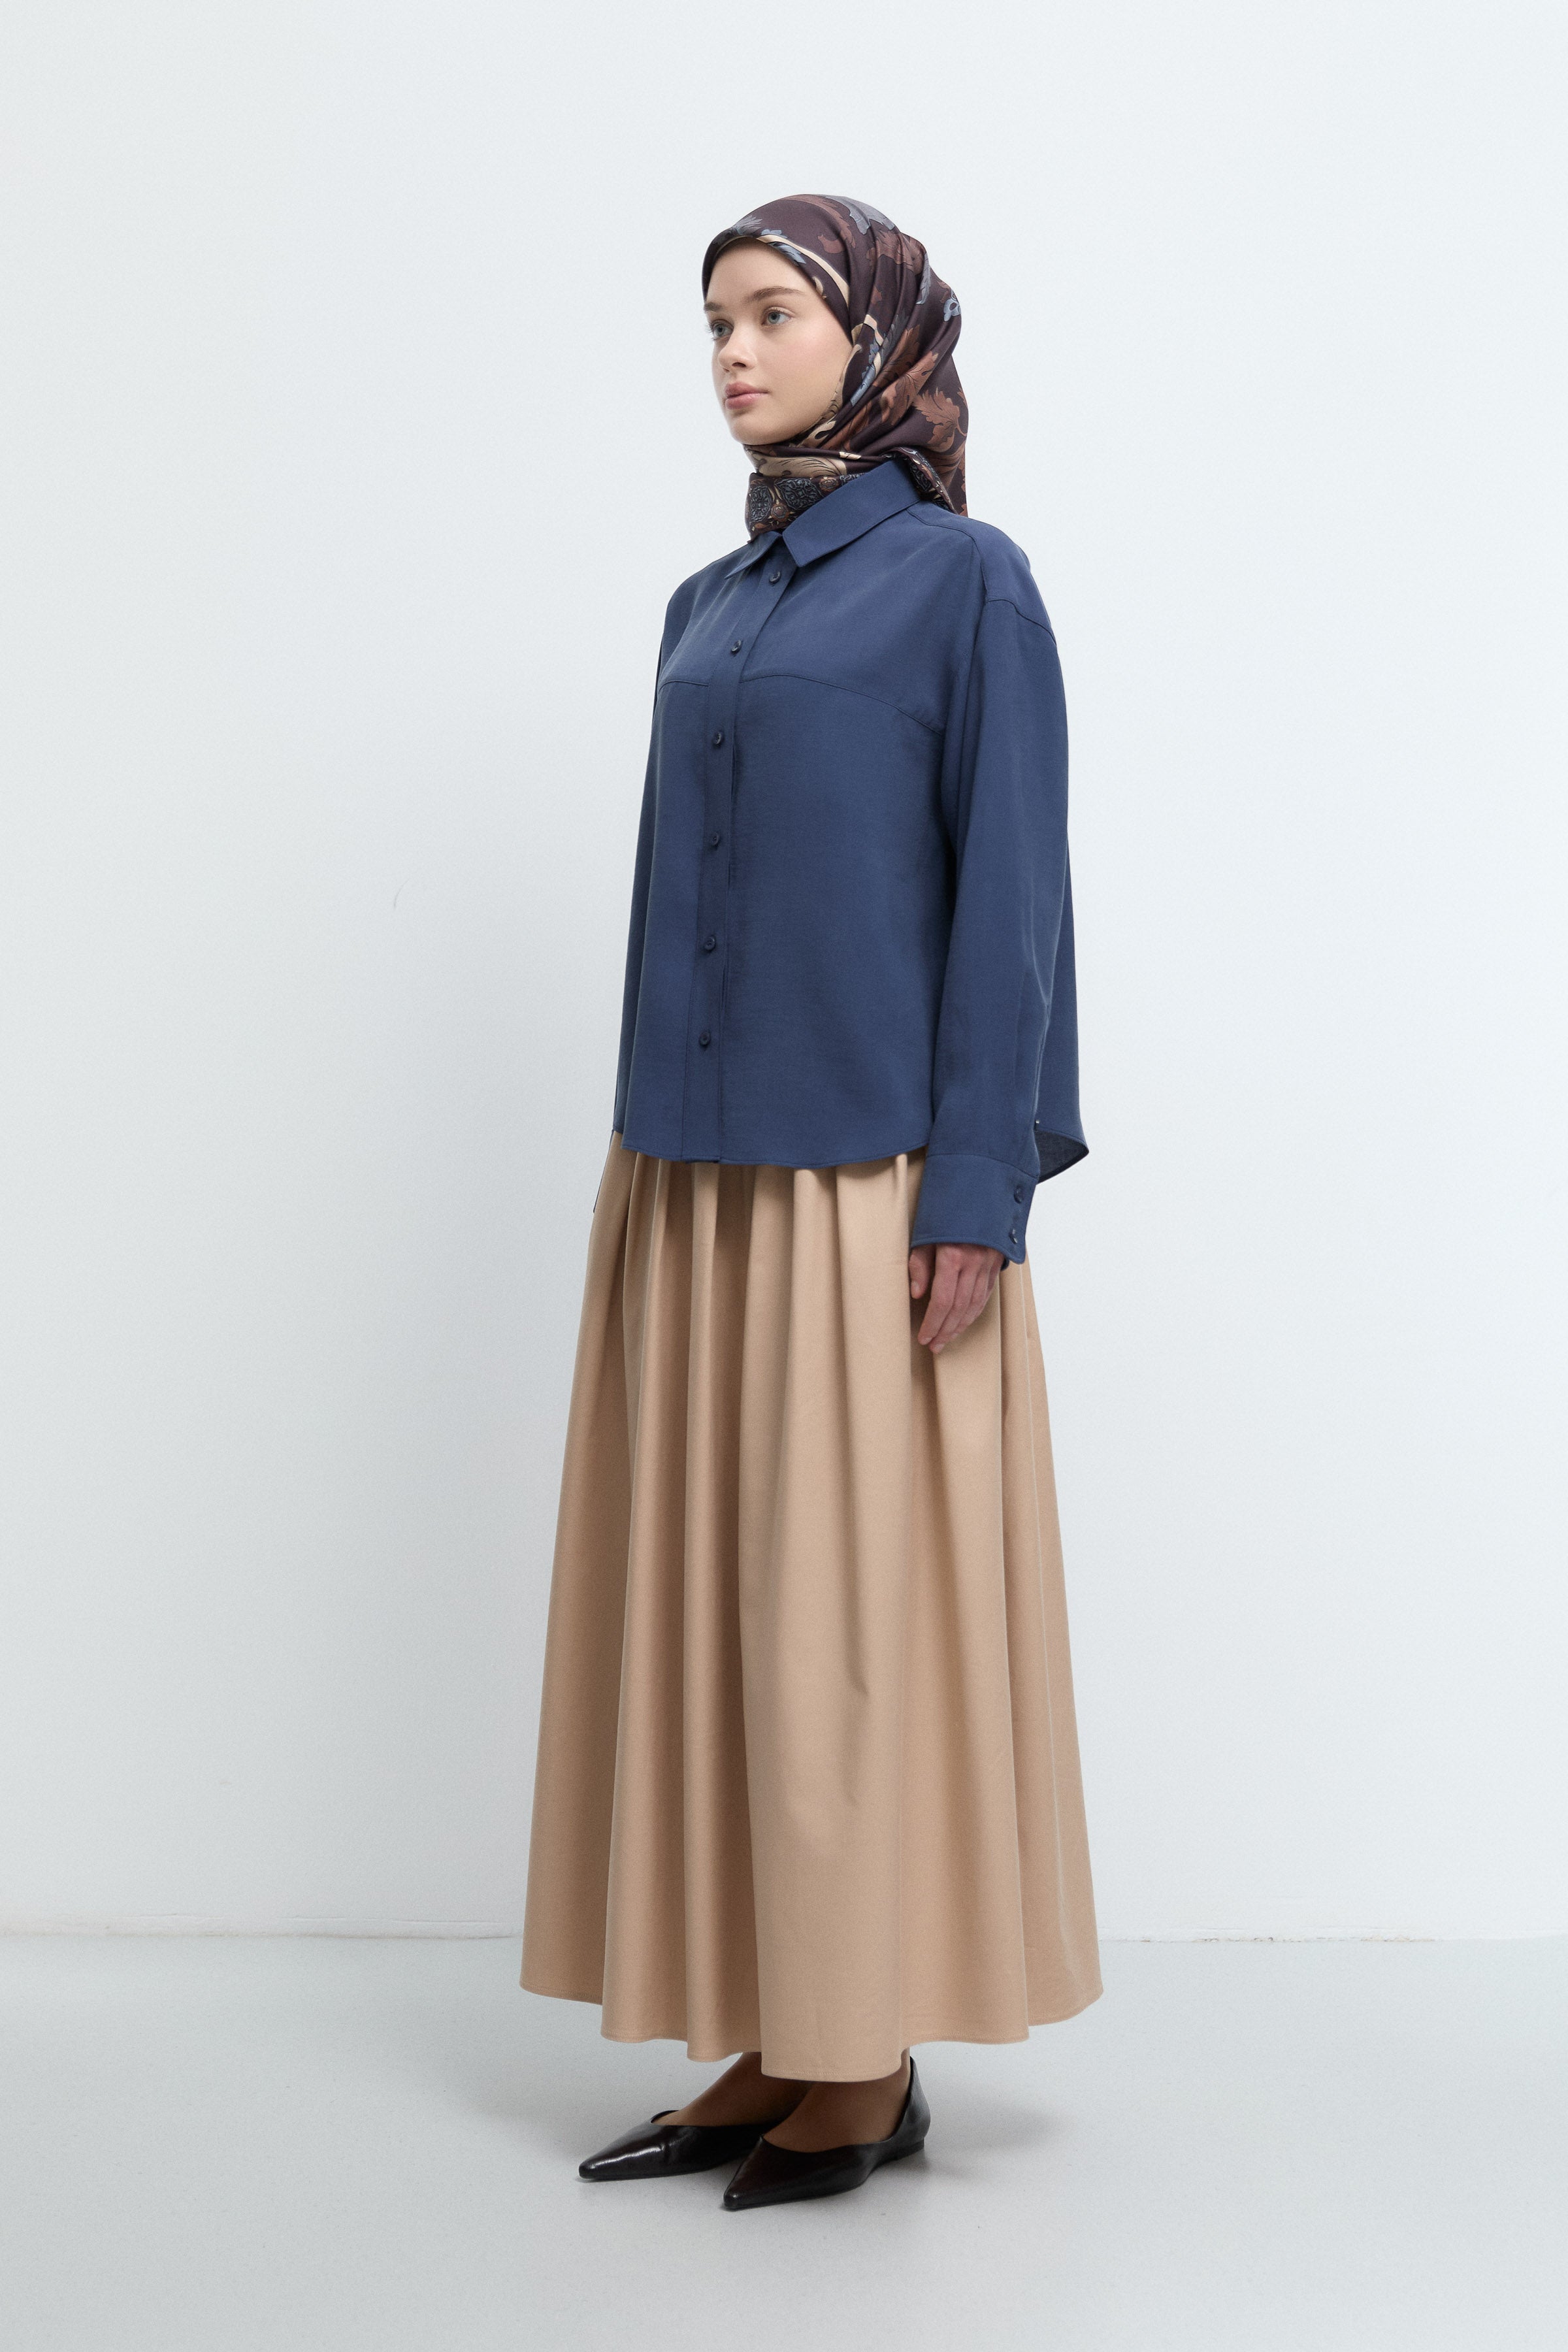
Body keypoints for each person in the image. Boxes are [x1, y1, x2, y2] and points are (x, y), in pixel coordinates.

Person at [520, 193, 1100, 2213]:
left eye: (771, 314)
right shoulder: (708, 603)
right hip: (688, 1184)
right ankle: (771, 2034)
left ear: (878, 336)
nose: (733, 355)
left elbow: (1014, 901)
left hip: (869, 1190)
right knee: (720, 1626)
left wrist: (980, 1187)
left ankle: (864, 2062)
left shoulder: (963, 585)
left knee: (843, 1635)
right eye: (714, 323)